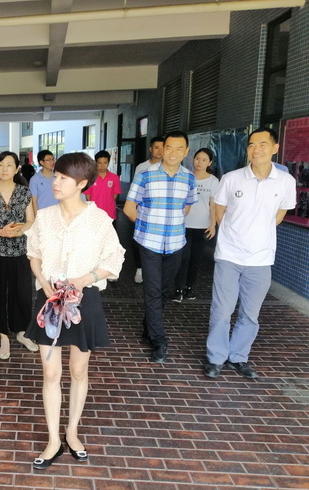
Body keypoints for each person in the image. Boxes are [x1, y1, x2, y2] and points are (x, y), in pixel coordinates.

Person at [25, 152, 124, 470]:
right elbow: (34, 253)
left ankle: (72, 432)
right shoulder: (44, 217)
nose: (55, 182)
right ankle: (53, 439)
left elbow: (114, 258)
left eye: (63, 178)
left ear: (82, 184)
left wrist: (84, 279)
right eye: (55, 176)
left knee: (79, 371)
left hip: (85, 300)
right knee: (50, 373)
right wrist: (43, 282)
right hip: (49, 300)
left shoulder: (98, 219)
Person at [204, 128, 296, 380]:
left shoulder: (285, 182)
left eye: (263, 144)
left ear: (275, 148)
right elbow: (219, 212)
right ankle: (216, 357)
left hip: (261, 259)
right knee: (222, 311)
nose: (256, 149)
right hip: (229, 256)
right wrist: (235, 234)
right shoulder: (232, 178)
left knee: (250, 313)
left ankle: (238, 356)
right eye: (252, 144)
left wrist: (256, 233)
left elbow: (278, 217)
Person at [124, 131, 196, 364]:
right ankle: (159, 339)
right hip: (149, 243)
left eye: (179, 148)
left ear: (186, 151)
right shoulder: (145, 175)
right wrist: (146, 227)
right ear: (162, 149)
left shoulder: (189, 178)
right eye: (169, 147)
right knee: (153, 291)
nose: (173, 153)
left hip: (176, 243)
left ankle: (148, 326)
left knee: (165, 291)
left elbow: (186, 208)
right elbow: (129, 208)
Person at [0, 151, 36, 360]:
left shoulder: (24, 192)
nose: (4, 169)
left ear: (17, 168)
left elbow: (31, 220)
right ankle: (3, 335)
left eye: (9, 165)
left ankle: (21, 332)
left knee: (22, 292)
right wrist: (0, 231)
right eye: (1, 164)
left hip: (20, 251)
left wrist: (19, 232)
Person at [173, 148, 219, 302]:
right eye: (197, 158)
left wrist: (213, 224)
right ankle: (178, 289)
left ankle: (189, 288)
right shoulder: (185, 176)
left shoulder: (213, 181)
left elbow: (213, 205)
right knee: (183, 258)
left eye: (204, 160)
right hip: (183, 225)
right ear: (193, 159)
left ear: (210, 162)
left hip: (202, 226)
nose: (200, 162)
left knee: (196, 260)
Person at [130, 136, 164, 284]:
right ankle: (139, 268)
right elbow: (135, 191)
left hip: (161, 214)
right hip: (143, 212)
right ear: (150, 149)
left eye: (163, 148)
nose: (160, 151)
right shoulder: (142, 168)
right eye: (156, 147)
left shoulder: (170, 168)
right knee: (138, 242)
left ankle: (156, 271)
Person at [83, 150, 122, 222]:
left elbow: (115, 195)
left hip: (109, 213)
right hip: (94, 213)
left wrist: (108, 203)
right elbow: (88, 196)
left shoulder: (114, 178)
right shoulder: (90, 177)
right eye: (99, 163)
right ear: (95, 163)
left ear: (108, 162)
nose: (102, 166)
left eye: (105, 163)